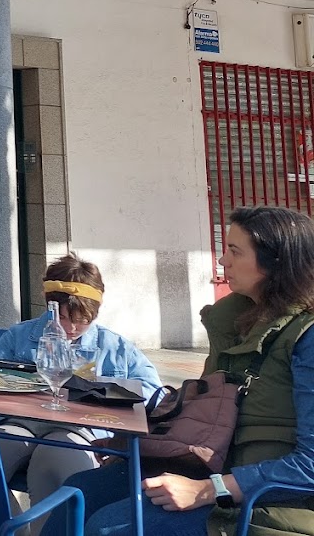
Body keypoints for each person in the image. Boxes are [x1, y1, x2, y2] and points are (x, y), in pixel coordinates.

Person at [60, 206, 314, 536]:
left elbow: (309, 467)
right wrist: (139, 446)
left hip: (272, 502)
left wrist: (209, 489)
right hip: (215, 466)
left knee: (108, 527)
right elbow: (208, 412)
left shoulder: (306, 336)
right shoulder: (236, 323)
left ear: (276, 261)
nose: (223, 261)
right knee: (78, 493)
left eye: (235, 251)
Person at [0, 254, 162, 515]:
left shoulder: (115, 347)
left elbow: (154, 394)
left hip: (81, 428)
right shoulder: (19, 336)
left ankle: (46, 531)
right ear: (49, 304)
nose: (71, 327)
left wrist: (103, 395)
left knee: (57, 458)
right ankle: (9, 528)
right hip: (20, 421)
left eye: (83, 319)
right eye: (63, 317)